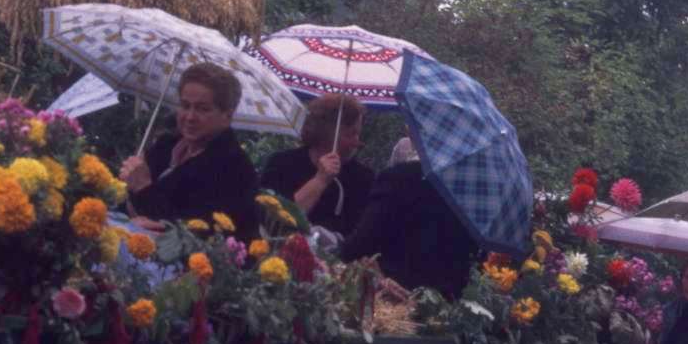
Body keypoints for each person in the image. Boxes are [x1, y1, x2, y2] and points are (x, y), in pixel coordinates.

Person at [118, 62, 259, 242]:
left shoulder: (234, 170)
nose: (190, 117)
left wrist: (143, 187)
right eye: (185, 105)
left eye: (202, 109)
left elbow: (185, 234)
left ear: (227, 116)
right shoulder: (167, 145)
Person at [339, 137, 478, 300]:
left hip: (386, 299)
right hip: (441, 306)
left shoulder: (400, 178)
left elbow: (358, 247)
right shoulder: (476, 200)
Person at [258, 93, 374, 237]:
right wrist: (320, 180)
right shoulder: (281, 164)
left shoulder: (363, 178)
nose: (357, 142)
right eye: (351, 134)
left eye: (358, 134)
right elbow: (274, 223)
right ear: (326, 133)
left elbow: (362, 236)